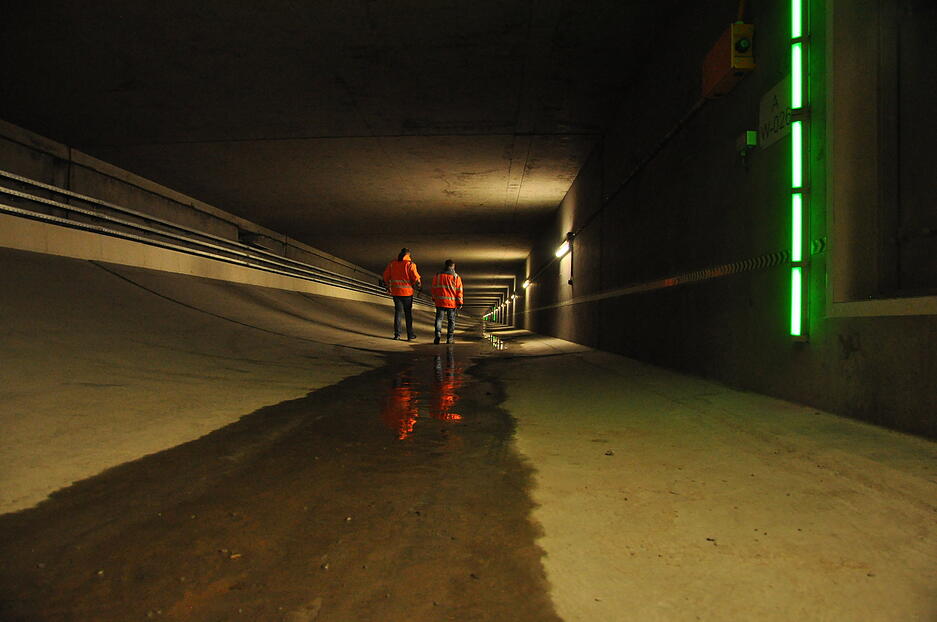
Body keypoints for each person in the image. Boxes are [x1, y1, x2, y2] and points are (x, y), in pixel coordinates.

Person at [382, 248, 421, 340]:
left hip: (396, 292)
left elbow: (385, 276)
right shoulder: (410, 264)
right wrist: (419, 285)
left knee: (398, 313)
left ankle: (397, 334)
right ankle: (410, 335)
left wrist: (388, 286)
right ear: (408, 255)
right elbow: (415, 277)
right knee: (408, 314)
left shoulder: (392, 264)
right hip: (407, 293)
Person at [430, 259, 463, 344]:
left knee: (439, 319)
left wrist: (434, 298)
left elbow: (434, 287)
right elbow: (459, 291)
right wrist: (459, 302)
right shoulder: (456, 277)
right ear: (452, 266)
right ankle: (450, 338)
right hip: (451, 304)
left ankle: (437, 335)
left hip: (440, 302)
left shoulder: (438, 275)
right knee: (451, 321)